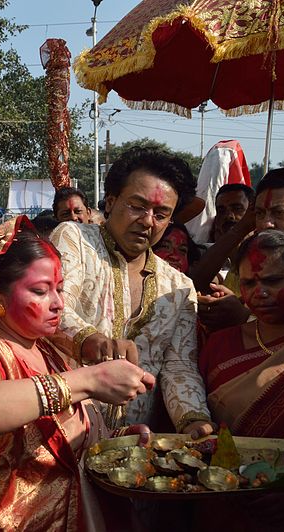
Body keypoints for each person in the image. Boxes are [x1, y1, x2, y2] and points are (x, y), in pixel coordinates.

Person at [0, 217, 154, 531]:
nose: (58, 304)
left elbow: (62, 439)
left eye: (59, 289)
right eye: (40, 291)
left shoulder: (46, 350)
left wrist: (117, 442)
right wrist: (90, 380)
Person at [50, 146, 214, 437]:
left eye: (161, 214)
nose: (148, 221)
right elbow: (54, 308)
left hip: (133, 442)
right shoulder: (74, 239)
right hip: (63, 428)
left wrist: (194, 421)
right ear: (111, 202)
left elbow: (179, 367)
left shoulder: (179, 287)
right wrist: (92, 340)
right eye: (137, 206)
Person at [198, 230, 284, 530]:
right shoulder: (218, 344)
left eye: (273, 281)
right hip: (223, 509)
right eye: (248, 283)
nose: (259, 293)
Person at [197, 167, 284, 331]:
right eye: (260, 213)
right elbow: (196, 282)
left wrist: (244, 319)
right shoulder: (250, 261)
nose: (266, 224)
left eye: (280, 212)